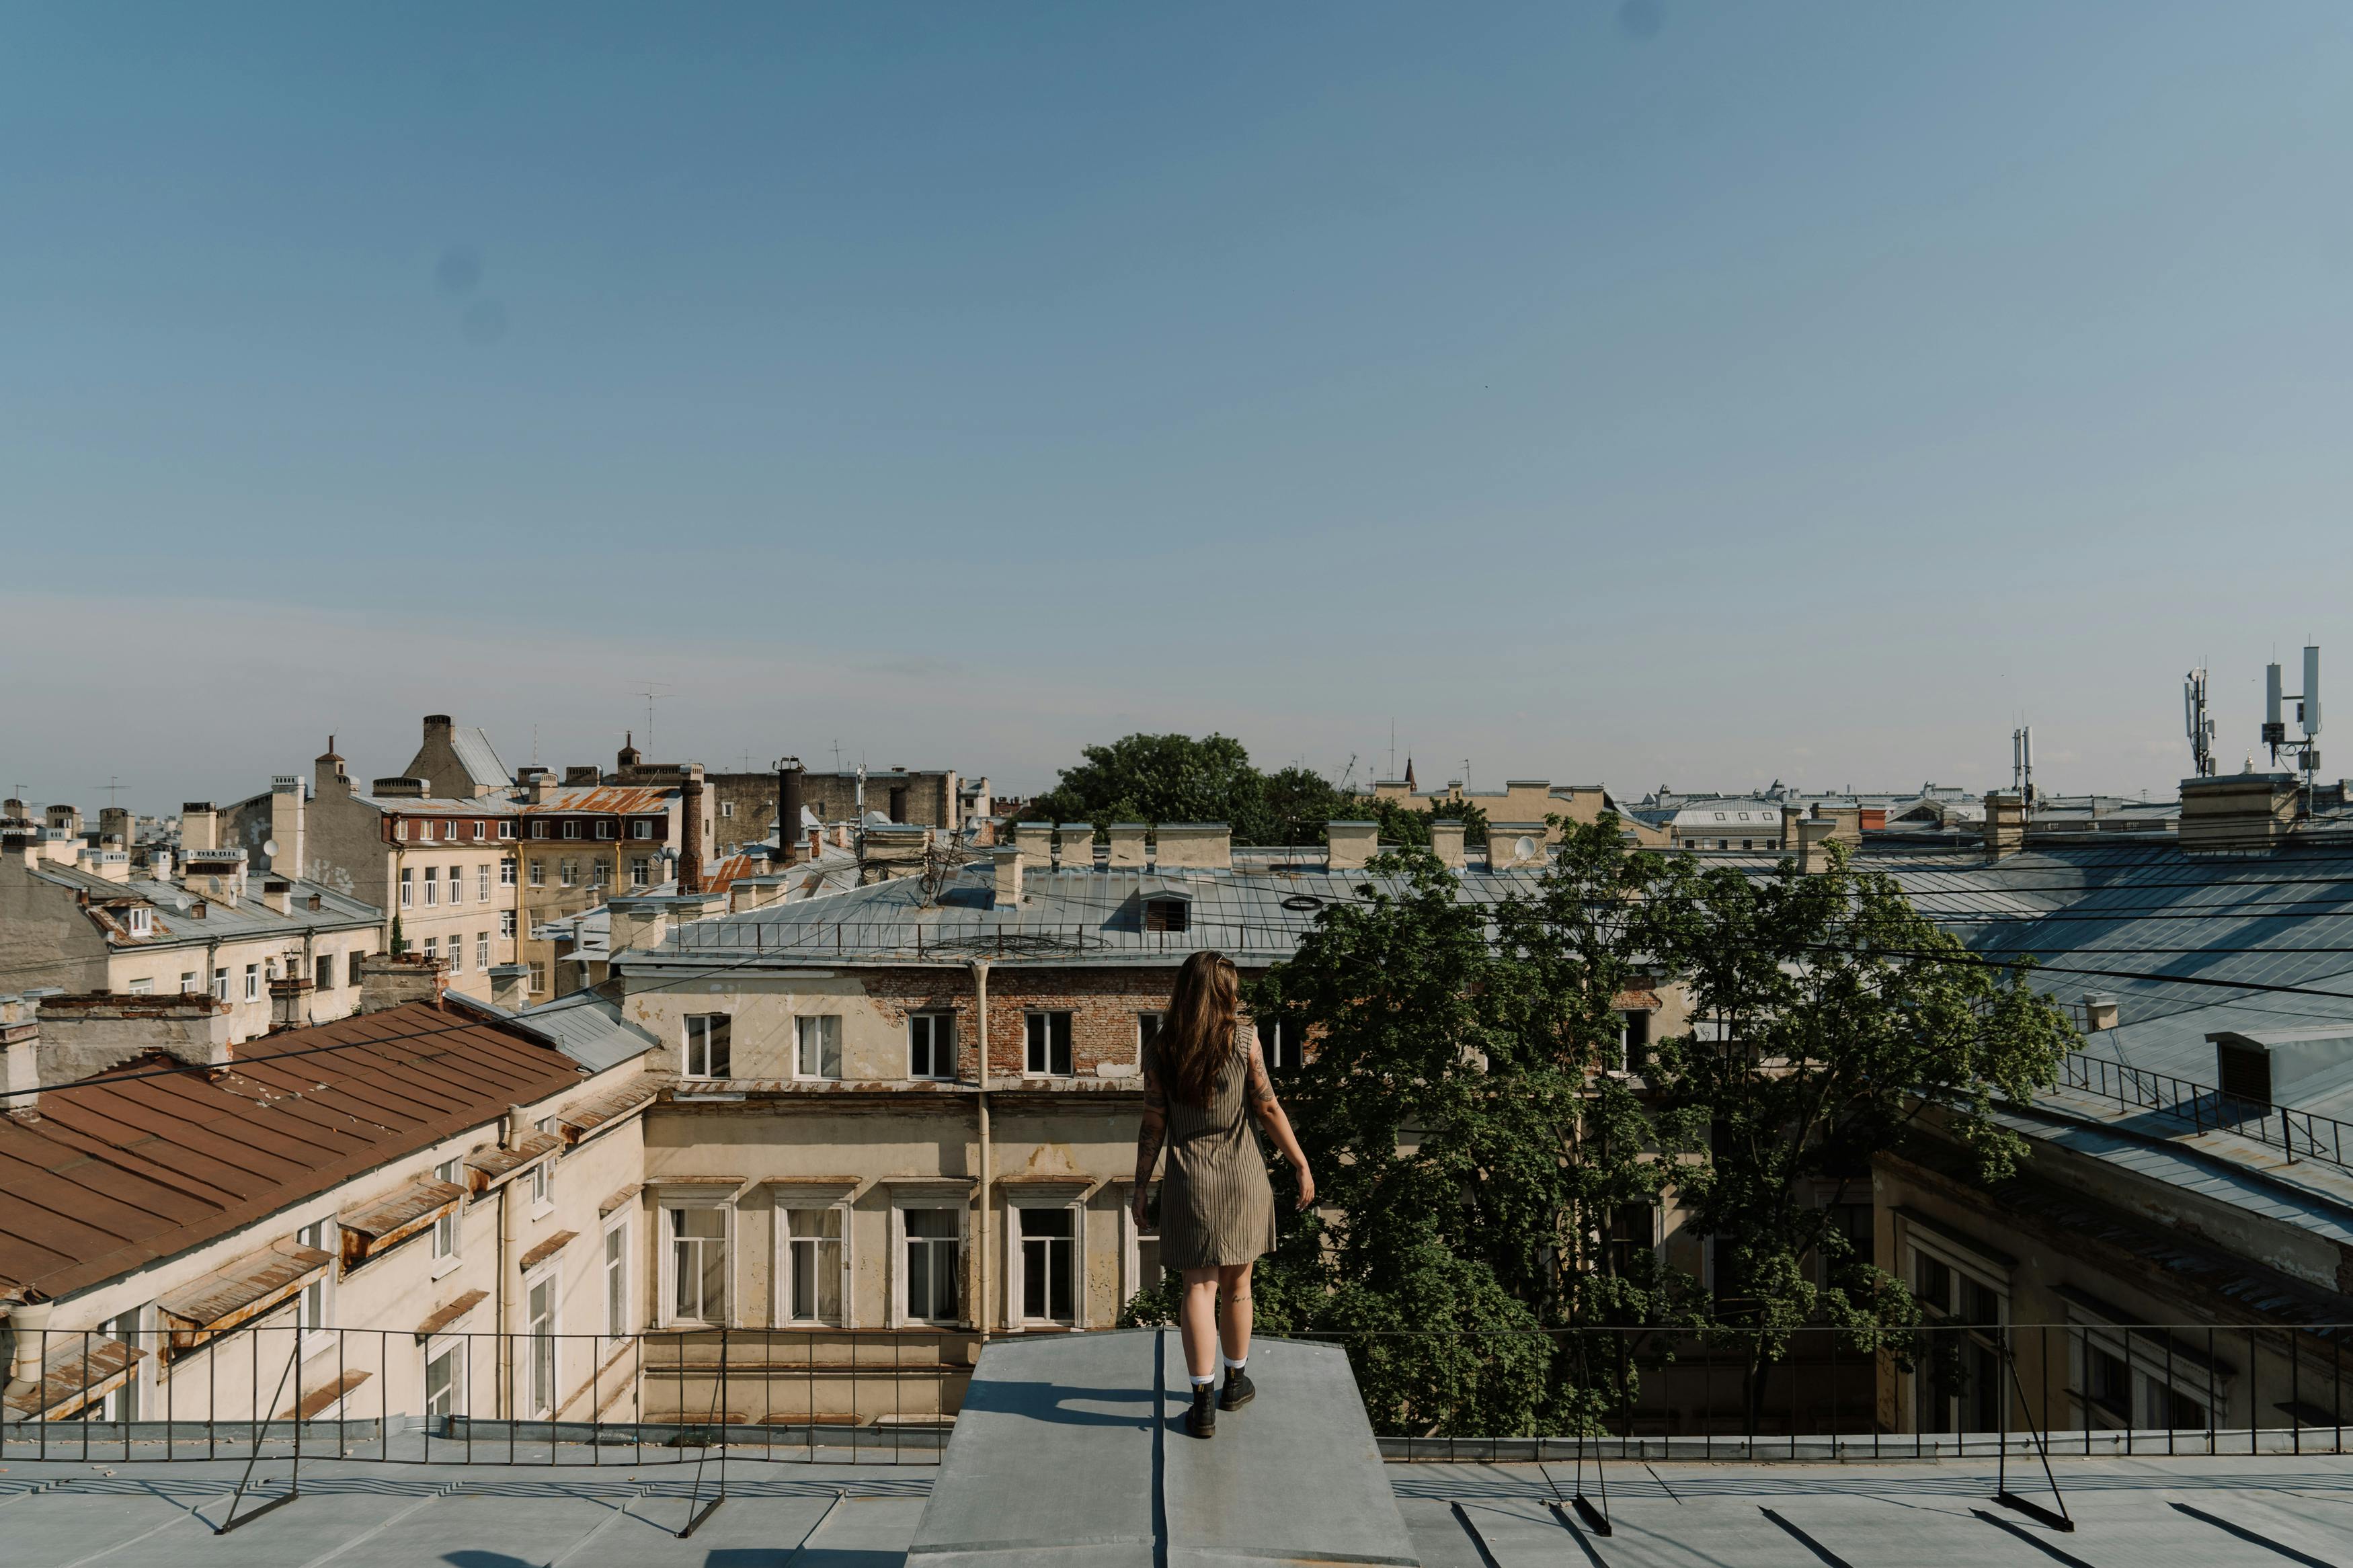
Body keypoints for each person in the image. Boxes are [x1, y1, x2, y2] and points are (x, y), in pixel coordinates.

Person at [1131, 950, 1315, 1439]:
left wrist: (1140, 1188)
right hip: (1243, 1178)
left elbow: (1153, 1123)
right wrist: (1300, 1163)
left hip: (1191, 1181)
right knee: (1239, 1285)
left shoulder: (1161, 1049)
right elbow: (1269, 1108)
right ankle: (1235, 1382)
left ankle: (1202, 1402)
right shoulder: (1246, 1041)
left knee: (1198, 1287)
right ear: (1221, 992)